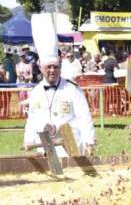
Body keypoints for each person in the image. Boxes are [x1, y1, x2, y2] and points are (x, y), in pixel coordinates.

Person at [24, 13, 95, 156]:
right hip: (44, 149)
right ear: (41, 68)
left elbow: (84, 117)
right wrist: (28, 140)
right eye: (48, 67)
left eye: (55, 67)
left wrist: (90, 141)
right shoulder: (37, 92)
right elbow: (32, 119)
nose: (52, 71)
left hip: (70, 148)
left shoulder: (72, 89)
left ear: (60, 67)